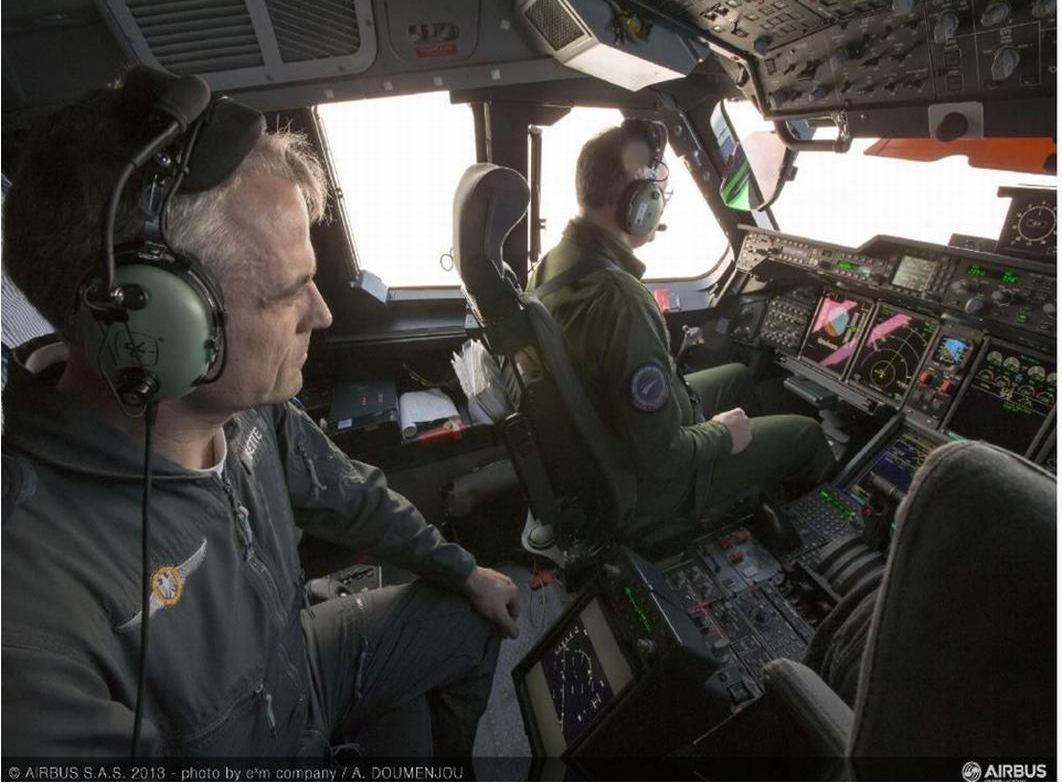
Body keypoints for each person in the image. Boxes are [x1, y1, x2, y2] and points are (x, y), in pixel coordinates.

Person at [1, 69, 519, 759]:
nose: (323, 313)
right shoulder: (33, 603)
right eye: (289, 292)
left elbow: (351, 497)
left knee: (472, 619)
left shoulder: (247, 411)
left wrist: (463, 569)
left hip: (297, 669)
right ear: (158, 328)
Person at [527, 122, 834, 545]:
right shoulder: (622, 299)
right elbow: (661, 456)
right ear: (638, 201)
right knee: (807, 434)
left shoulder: (553, 264)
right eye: (655, 189)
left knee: (738, 378)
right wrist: (723, 435)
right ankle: (825, 548)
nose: (659, 202)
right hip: (651, 486)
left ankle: (744, 493)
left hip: (606, 441)